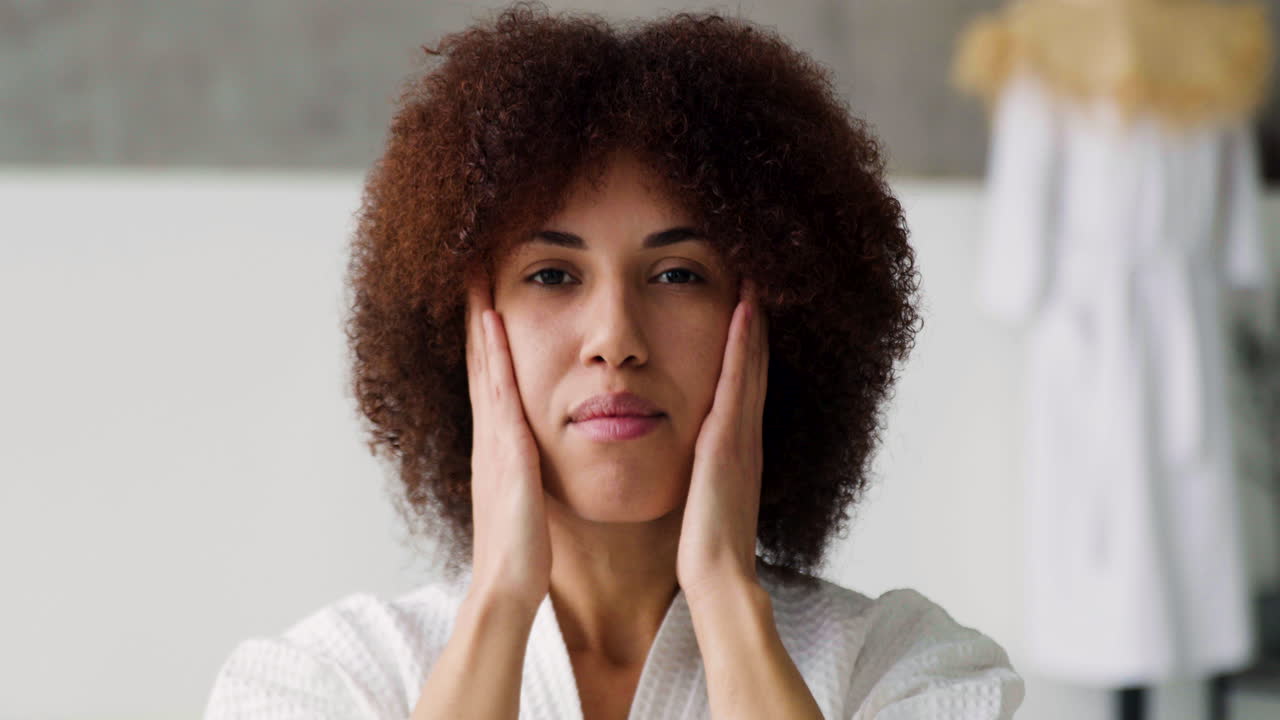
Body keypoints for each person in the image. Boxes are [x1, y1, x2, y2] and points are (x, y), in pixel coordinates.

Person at [205, 2, 1024, 718]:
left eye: (677, 275)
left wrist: (726, 601)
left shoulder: (905, 668)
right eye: (552, 275)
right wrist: (498, 602)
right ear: (460, 328)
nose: (615, 337)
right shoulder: (329, 678)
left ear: (778, 316)